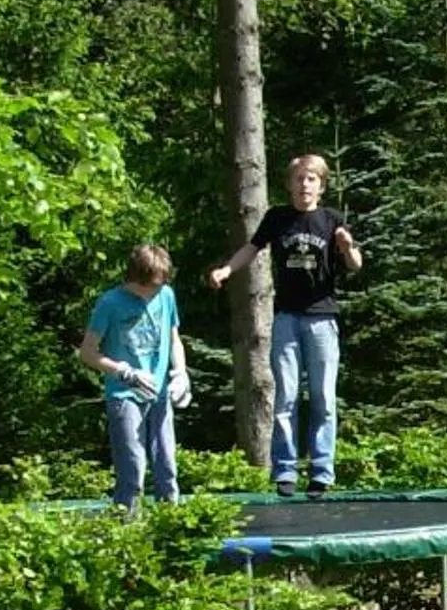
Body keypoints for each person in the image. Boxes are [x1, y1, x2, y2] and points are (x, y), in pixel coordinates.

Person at [209, 153, 364, 496]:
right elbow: (252, 248)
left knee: (323, 398)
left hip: (322, 318)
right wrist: (226, 270)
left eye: (312, 179)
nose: (305, 185)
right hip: (287, 319)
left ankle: (322, 472)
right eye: (299, 179)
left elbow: (355, 264)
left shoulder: (331, 219)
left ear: (321, 186)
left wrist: (347, 247)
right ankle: (285, 471)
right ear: (290, 184)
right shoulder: (278, 218)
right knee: (286, 398)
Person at [80, 243, 190, 509]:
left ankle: (171, 522)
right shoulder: (110, 303)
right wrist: (124, 372)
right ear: (135, 278)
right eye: (151, 286)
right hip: (125, 395)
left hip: (159, 392)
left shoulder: (166, 295)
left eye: (160, 285)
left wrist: (180, 373)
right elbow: (87, 353)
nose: (155, 291)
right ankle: (127, 525)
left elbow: (174, 339)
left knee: (167, 466)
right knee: (133, 470)